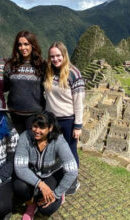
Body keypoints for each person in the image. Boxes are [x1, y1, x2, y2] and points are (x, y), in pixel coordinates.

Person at [14, 111, 78, 220]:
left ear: (50, 128)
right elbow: (20, 168)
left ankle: (59, 194)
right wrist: (41, 185)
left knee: (46, 209)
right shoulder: (25, 137)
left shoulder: (59, 142)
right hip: (33, 171)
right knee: (19, 186)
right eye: (35, 126)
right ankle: (31, 203)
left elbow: (72, 171)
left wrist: (56, 193)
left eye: (42, 127)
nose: (37, 131)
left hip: (52, 173)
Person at [44, 42, 84, 193]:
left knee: (70, 152)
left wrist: (78, 126)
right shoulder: (48, 72)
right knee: (54, 151)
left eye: (58, 55)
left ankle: (72, 183)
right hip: (51, 120)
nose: (55, 59)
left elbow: (79, 102)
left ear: (64, 55)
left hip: (68, 120)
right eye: (52, 56)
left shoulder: (74, 74)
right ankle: (59, 177)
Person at [4, 30, 45, 134]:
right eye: (20, 45)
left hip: (35, 115)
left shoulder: (41, 65)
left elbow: (48, 87)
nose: (23, 48)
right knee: (16, 146)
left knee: (32, 145)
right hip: (14, 114)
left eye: (26, 44)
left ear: (33, 45)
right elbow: (4, 86)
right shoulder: (10, 65)